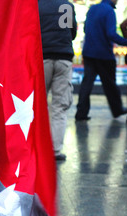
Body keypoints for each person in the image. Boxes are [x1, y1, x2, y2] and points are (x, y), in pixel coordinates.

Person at [75, 0, 127, 121]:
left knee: (87, 83)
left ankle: (81, 112)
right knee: (110, 84)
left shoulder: (92, 9)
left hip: (89, 52)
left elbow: (85, 29)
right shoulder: (109, 11)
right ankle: (117, 110)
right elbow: (111, 33)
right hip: (104, 54)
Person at [39, 0, 77, 161]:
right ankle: (55, 150)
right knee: (59, 106)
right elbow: (71, 33)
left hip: (41, 58)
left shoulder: (36, 5)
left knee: (37, 105)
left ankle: (36, 147)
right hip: (63, 58)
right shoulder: (67, 6)